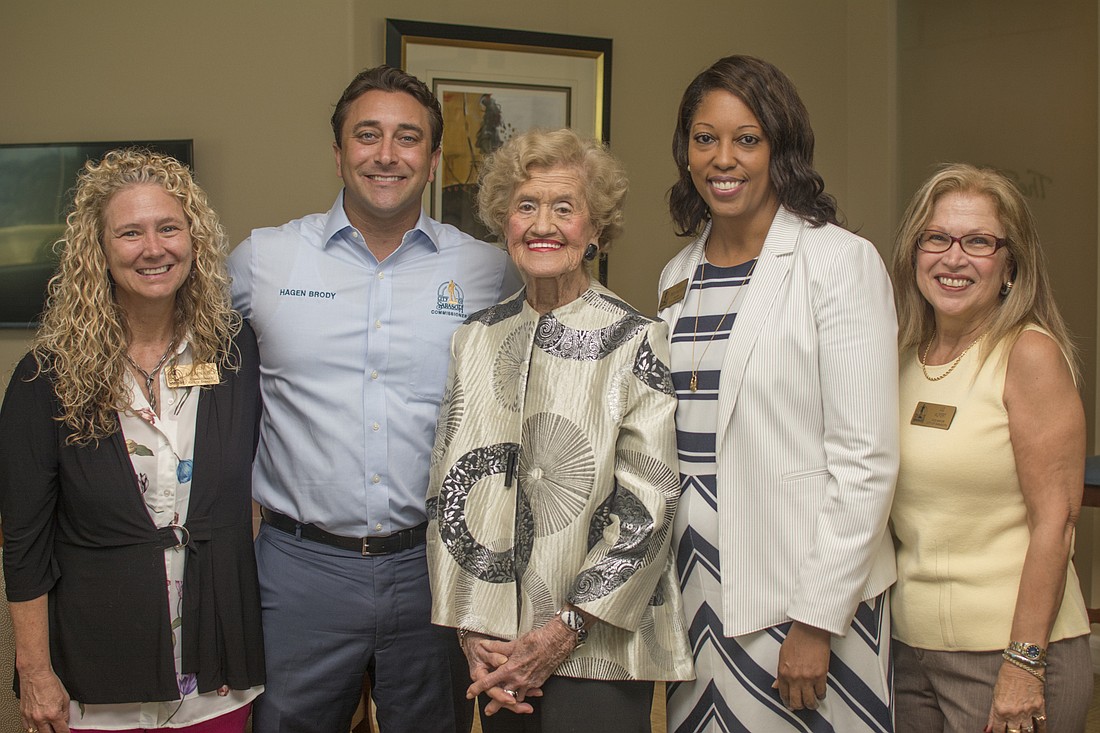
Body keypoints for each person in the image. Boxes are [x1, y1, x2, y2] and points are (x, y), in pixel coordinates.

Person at [228, 65, 521, 733]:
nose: (387, 154)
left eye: (407, 138)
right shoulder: (263, 261)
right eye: (367, 135)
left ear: (432, 159)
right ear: (338, 152)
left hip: (433, 567)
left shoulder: (487, 270)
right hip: (298, 568)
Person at [657, 55, 899, 732]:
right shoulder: (677, 275)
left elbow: (866, 461)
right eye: (705, 139)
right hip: (699, 587)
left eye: (747, 139)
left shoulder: (838, 262)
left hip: (806, 596)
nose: (723, 159)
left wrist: (817, 620)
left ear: (780, 148)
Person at [428, 127, 693, 733]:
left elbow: (650, 503)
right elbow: (446, 490)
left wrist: (563, 631)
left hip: (600, 644)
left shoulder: (634, 339)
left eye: (564, 208)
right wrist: (471, 629)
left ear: (595, 229)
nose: (542, 225)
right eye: (526, 206)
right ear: (504, 222)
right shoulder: (474, 339)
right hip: (496, 647)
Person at [0, 148, 264, 733]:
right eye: (130, 233)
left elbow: (245, 499)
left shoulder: (234, 352)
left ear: (193, 240)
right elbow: (24, 543)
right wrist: (35, 670)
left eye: (169, 227)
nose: (153, 248)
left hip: (216, 671)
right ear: (97, 249)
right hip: (98, 676)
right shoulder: (46, 378)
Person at [889, 163, 1092, 733]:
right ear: (914, 252)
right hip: (908, 651)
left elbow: (1056, 523)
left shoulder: (1029, 355)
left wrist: (1023, 664)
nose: (953, 258)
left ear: (1010, 264)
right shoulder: (901, 357)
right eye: (937, 238)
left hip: (1012, 655)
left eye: (978, 242)